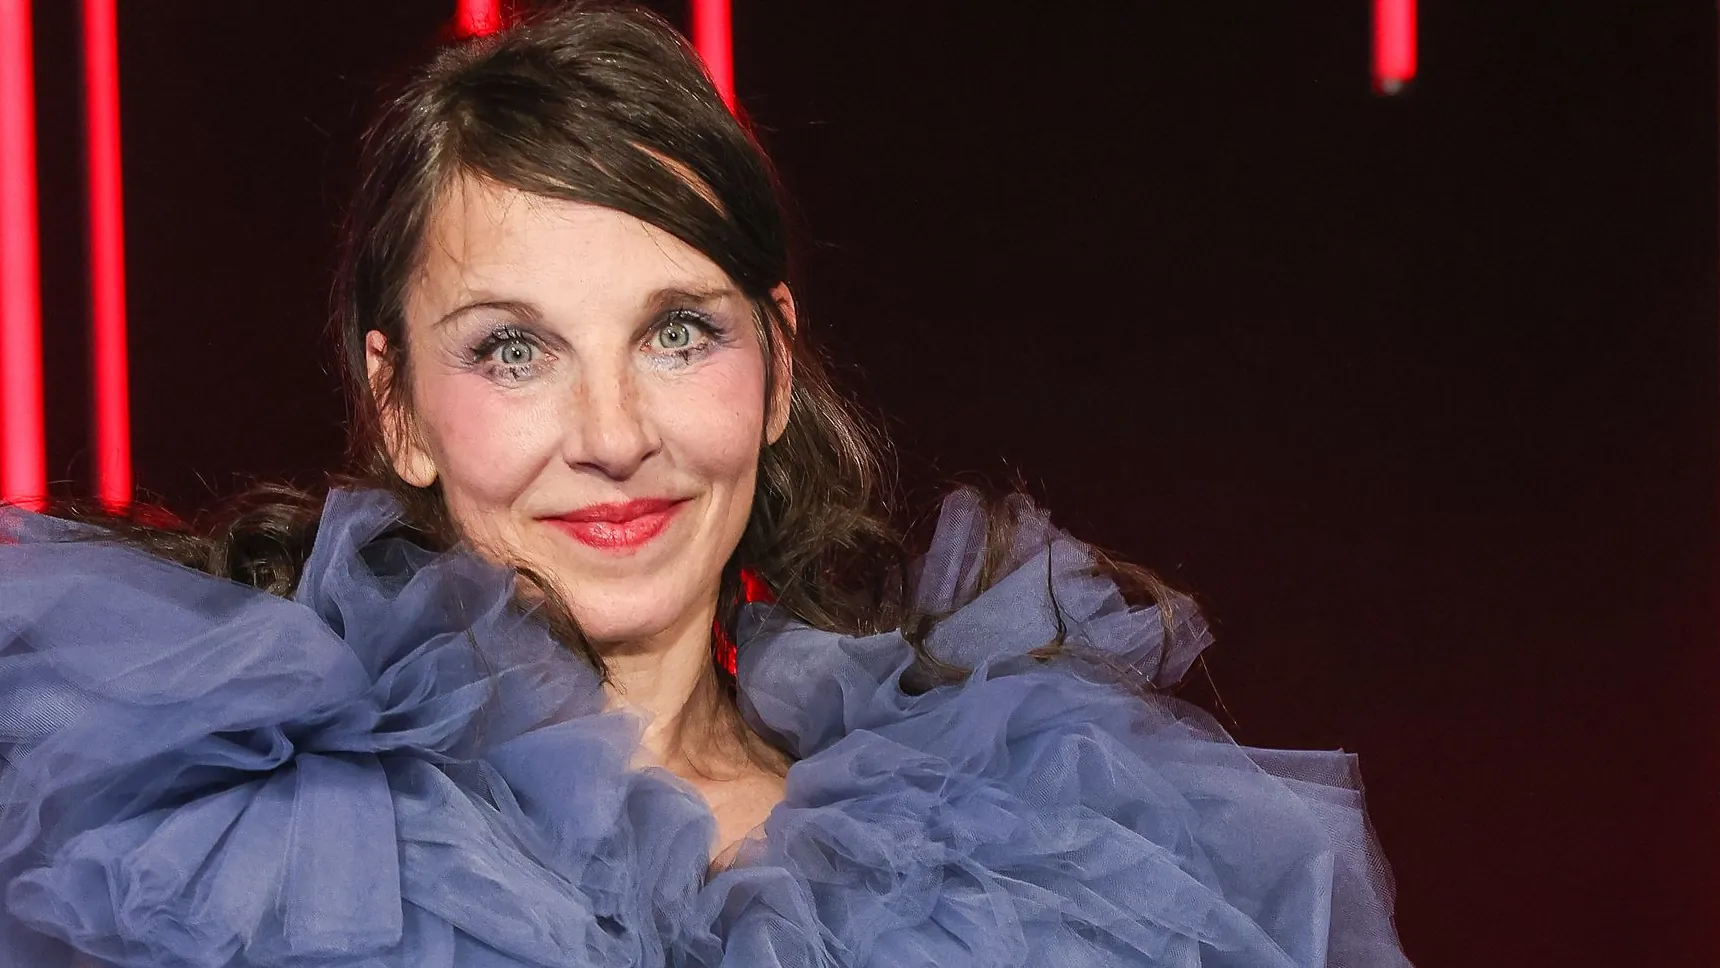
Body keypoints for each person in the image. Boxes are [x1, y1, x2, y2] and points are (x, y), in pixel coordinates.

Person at [0, 4, 1413, 966]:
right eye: (513, 351)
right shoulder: (232, 843)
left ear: (777, 365)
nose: (614, 434)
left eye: (677, 333)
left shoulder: (1040, 843)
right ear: (398, 409)